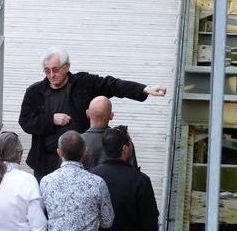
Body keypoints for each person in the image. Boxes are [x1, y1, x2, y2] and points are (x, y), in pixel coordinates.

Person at [19, 46, 166, 181]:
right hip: (47, 161)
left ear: (67, 67)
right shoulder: (34, 91)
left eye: (55, 69)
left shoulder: (83, 83)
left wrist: (144, 89)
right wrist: (51, 119)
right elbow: (25, 121)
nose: (51, 75)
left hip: (81, 159)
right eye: (47, 70)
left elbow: (112, 85)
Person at [81, 96, 137, 170]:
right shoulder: (124, 141)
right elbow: (133, 171)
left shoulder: (77, 142)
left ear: (87, 113)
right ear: (111, 116)